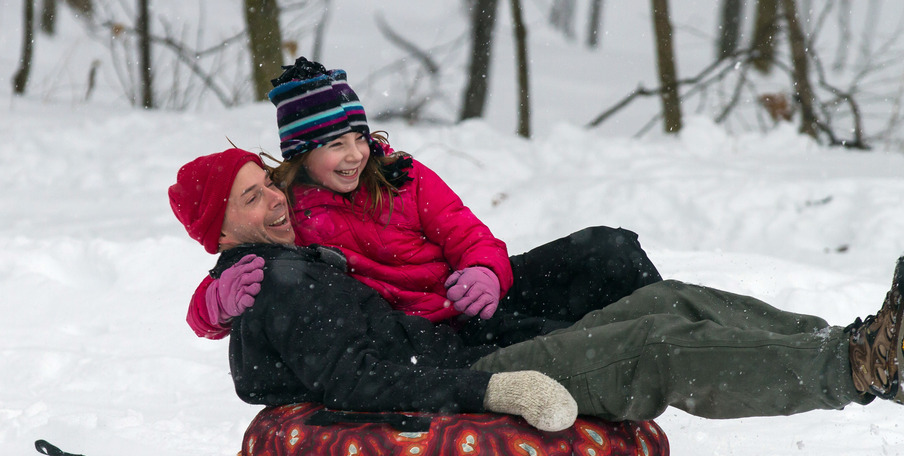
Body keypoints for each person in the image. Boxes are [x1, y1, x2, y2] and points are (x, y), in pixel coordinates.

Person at [168, 148, 904, 431]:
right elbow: (350, 378)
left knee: (661, 297)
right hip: (478, 362)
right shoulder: (269, 281)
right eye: (250, 198)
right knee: (650, 341)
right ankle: (858, 368)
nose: (273, 199)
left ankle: (862, 341)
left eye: (264, 183)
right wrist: (486, 386)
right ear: (223, 228)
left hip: (467, 336)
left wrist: (212, 298)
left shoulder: (295, 245)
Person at [185, 57, 661, 347]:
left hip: (478, 300)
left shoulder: (401, 176)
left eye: (359, 137)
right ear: (302, 155)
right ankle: (624, 359)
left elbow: (470, 234)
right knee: (560, 337)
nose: (354, 155)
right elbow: (232, 283)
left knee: (607, 249)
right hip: (430, 340)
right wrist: (216, 303)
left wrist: (485, 272)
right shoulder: (290, 215)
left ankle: (675, 328)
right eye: (335, 146)